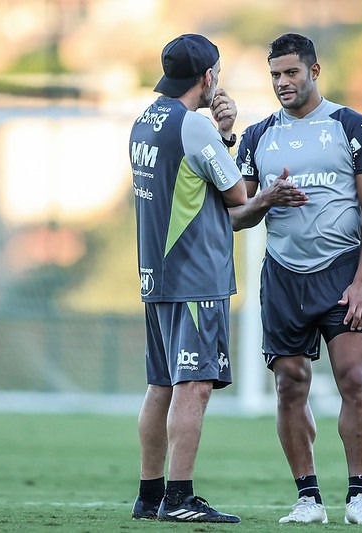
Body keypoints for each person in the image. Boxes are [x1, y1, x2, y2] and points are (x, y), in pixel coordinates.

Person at [230, 33, 362, 526]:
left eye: (291, 73)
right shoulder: (258, 136)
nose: (282, 82)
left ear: (314, 72)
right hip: (283, 275)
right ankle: (308, 499)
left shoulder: (353, 127)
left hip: (343, 271)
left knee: (355, 378)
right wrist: (264, 201)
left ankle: (359, 497)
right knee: (289, 386)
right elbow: (236, 216)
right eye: (275, 75)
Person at [128, 33, 246, 523]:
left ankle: (149, 494)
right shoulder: (193, 127)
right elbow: (237, 195)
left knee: (161, 384)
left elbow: (188, 179)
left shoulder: (143, 120)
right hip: (195, 277)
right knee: (193, 385)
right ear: (208, 77)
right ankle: (178, 498)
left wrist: (219, 133)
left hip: (156, 276)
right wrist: (227, 135)